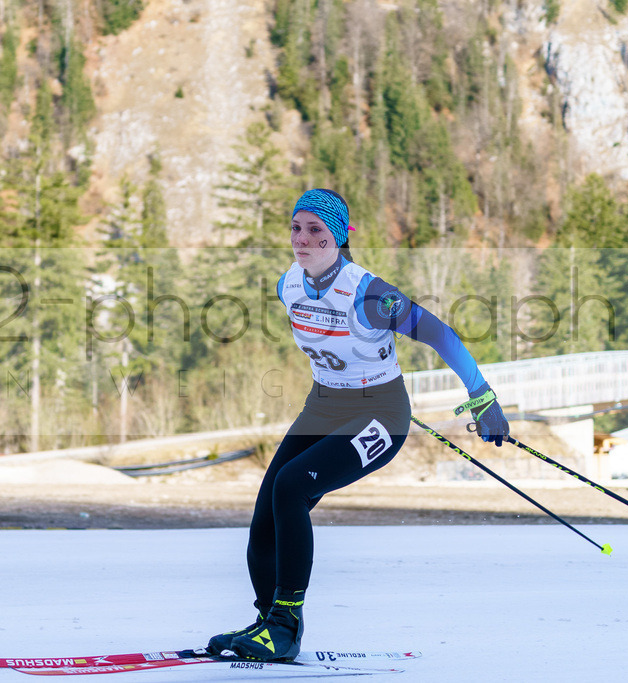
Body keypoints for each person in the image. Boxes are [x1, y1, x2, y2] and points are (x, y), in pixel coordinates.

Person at [205, 188, 510, 662]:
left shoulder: (369, 294)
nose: (302, 239)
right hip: (324, 406)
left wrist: (482, 396)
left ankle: (286, 626)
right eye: (295, 228)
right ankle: (269, 621)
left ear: (341, 237)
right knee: (267, 511)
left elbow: (440, 334)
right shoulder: (289, 284)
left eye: (315, 230)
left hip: (381, 416)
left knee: (291, 488)